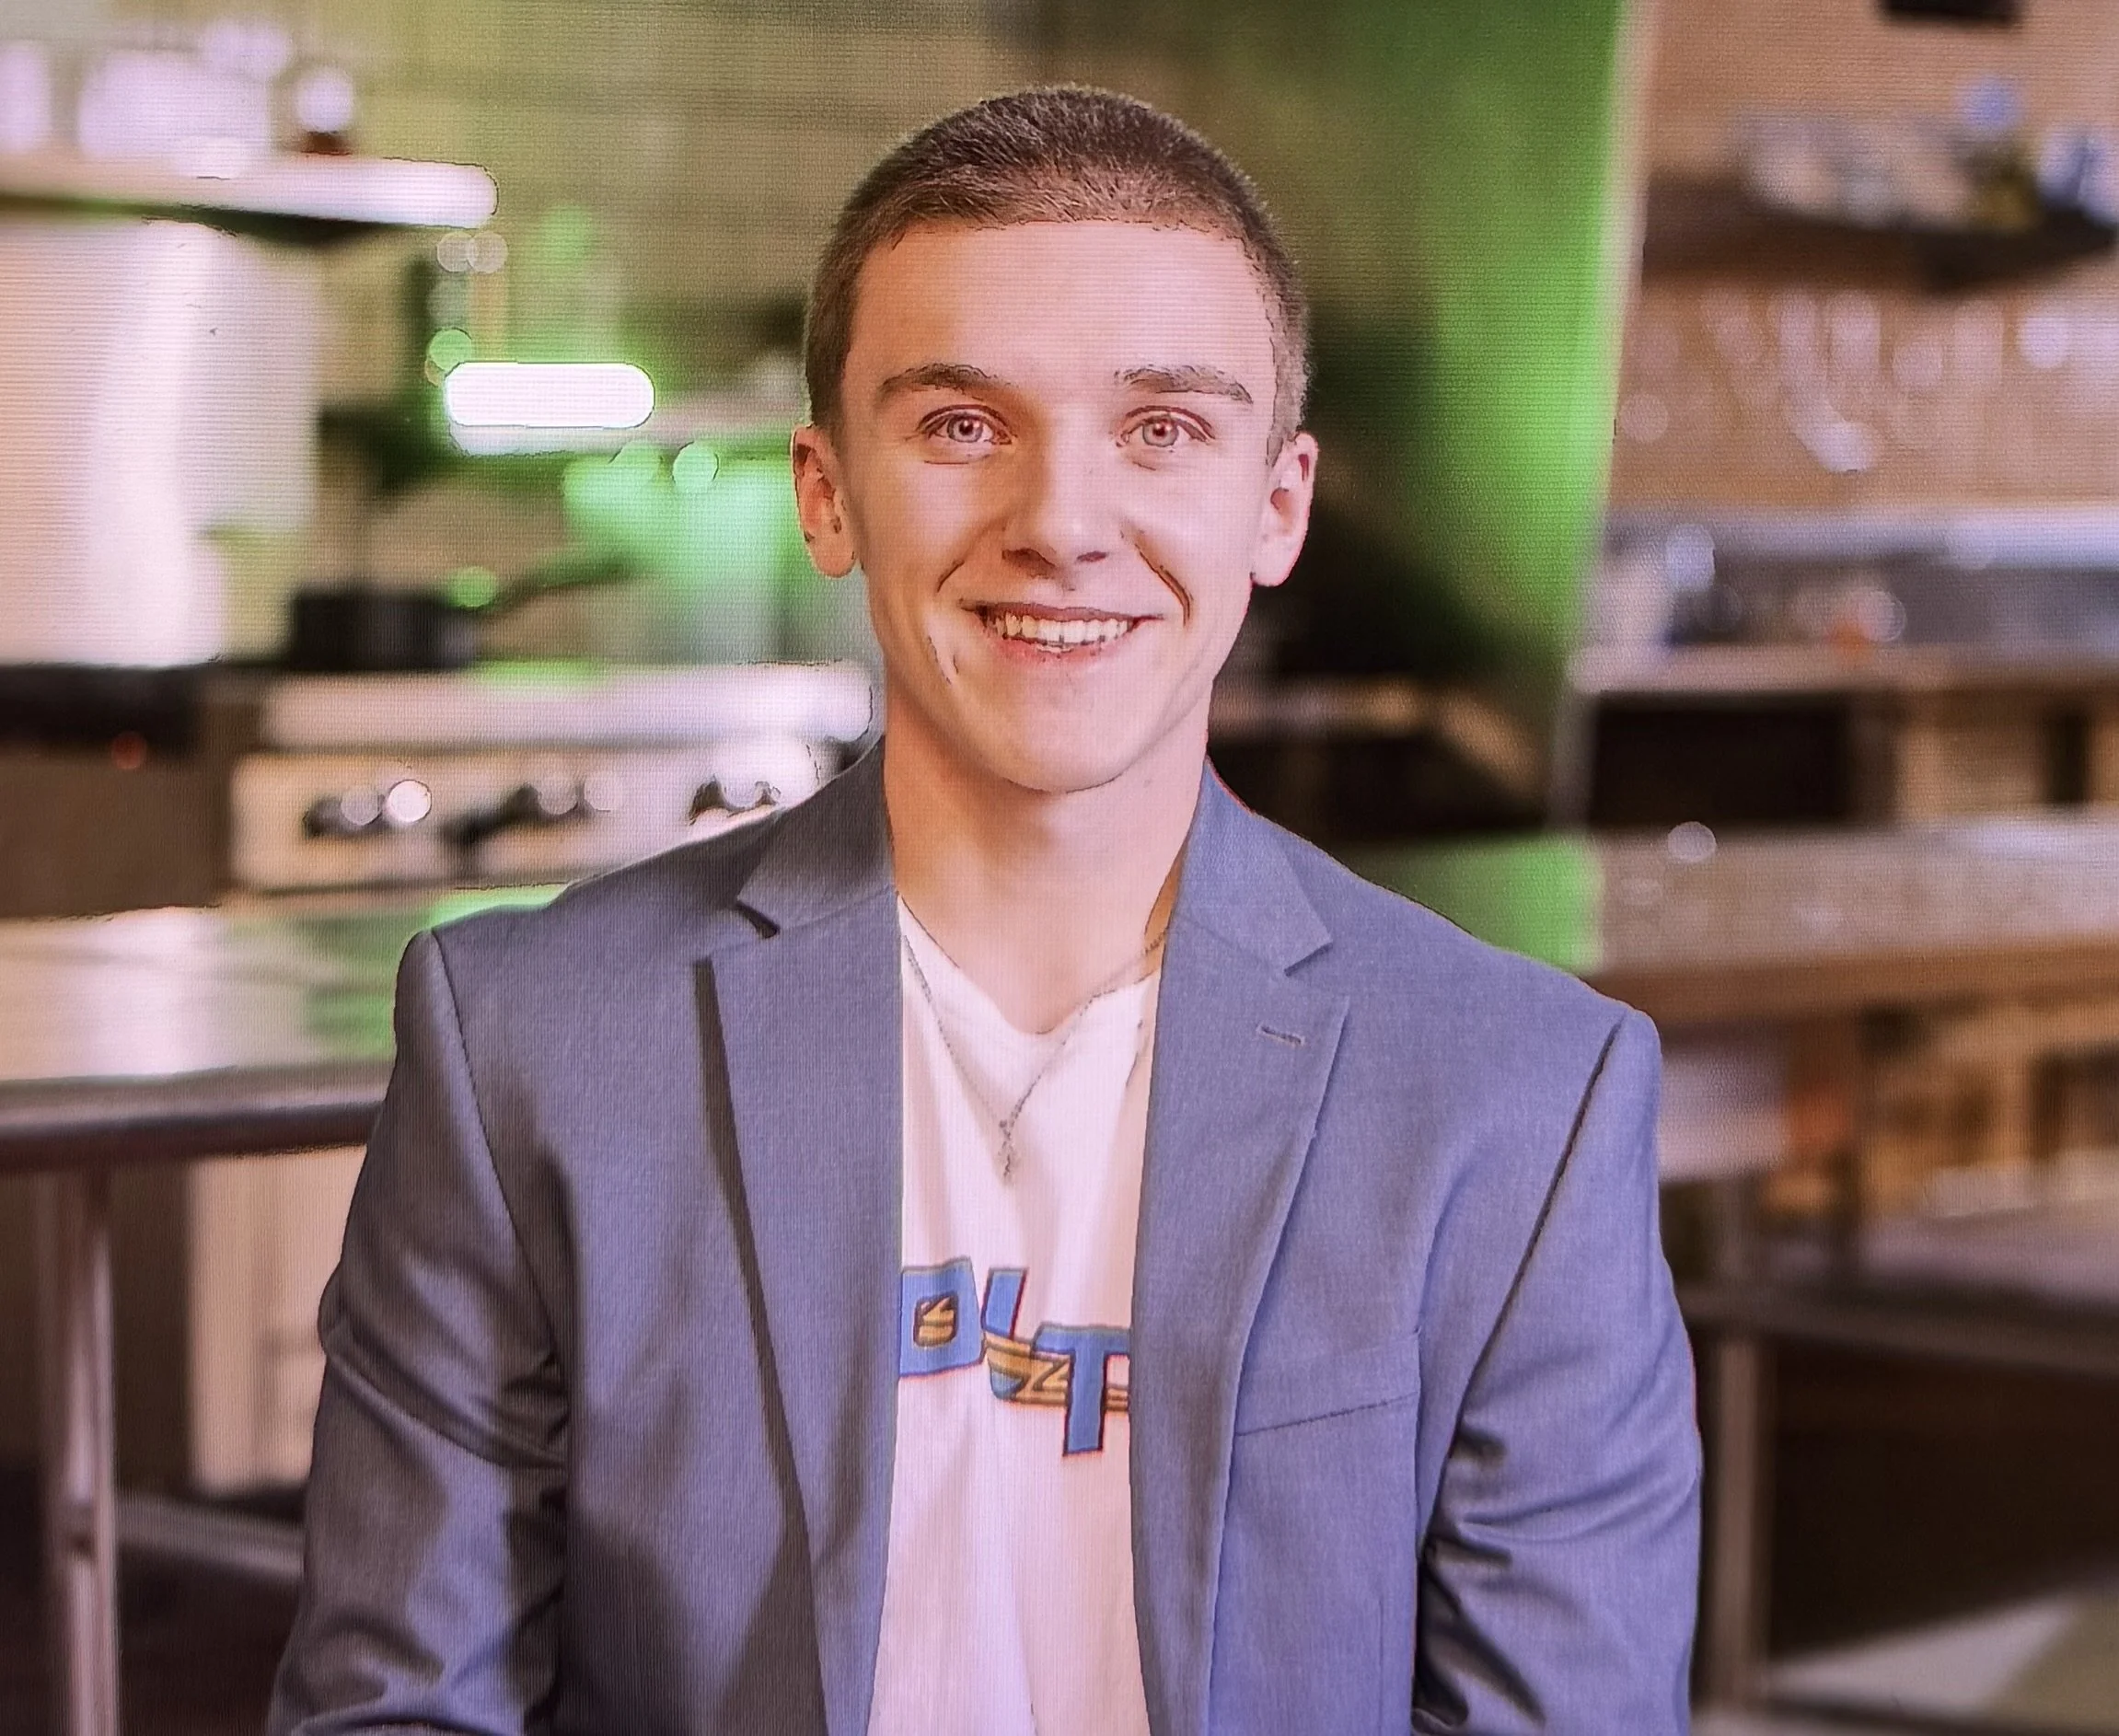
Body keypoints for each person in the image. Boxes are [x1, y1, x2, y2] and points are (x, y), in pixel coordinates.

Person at [270, 86, 1700, 1736]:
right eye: (961, 425)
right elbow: (395, 1707)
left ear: (1277, 504)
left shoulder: (1520, 1098)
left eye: (1162, 429)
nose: (1061, 525)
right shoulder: (530, 1047)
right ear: (825, 493)